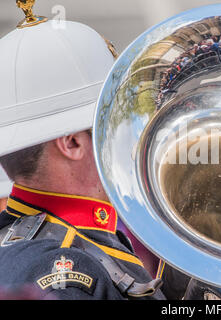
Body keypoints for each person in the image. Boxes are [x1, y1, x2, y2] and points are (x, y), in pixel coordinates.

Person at [0, 1, 165, 300]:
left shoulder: (64, 239)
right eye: (116, 122)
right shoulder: (64, 271)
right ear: (73, 142)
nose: (130, 137)